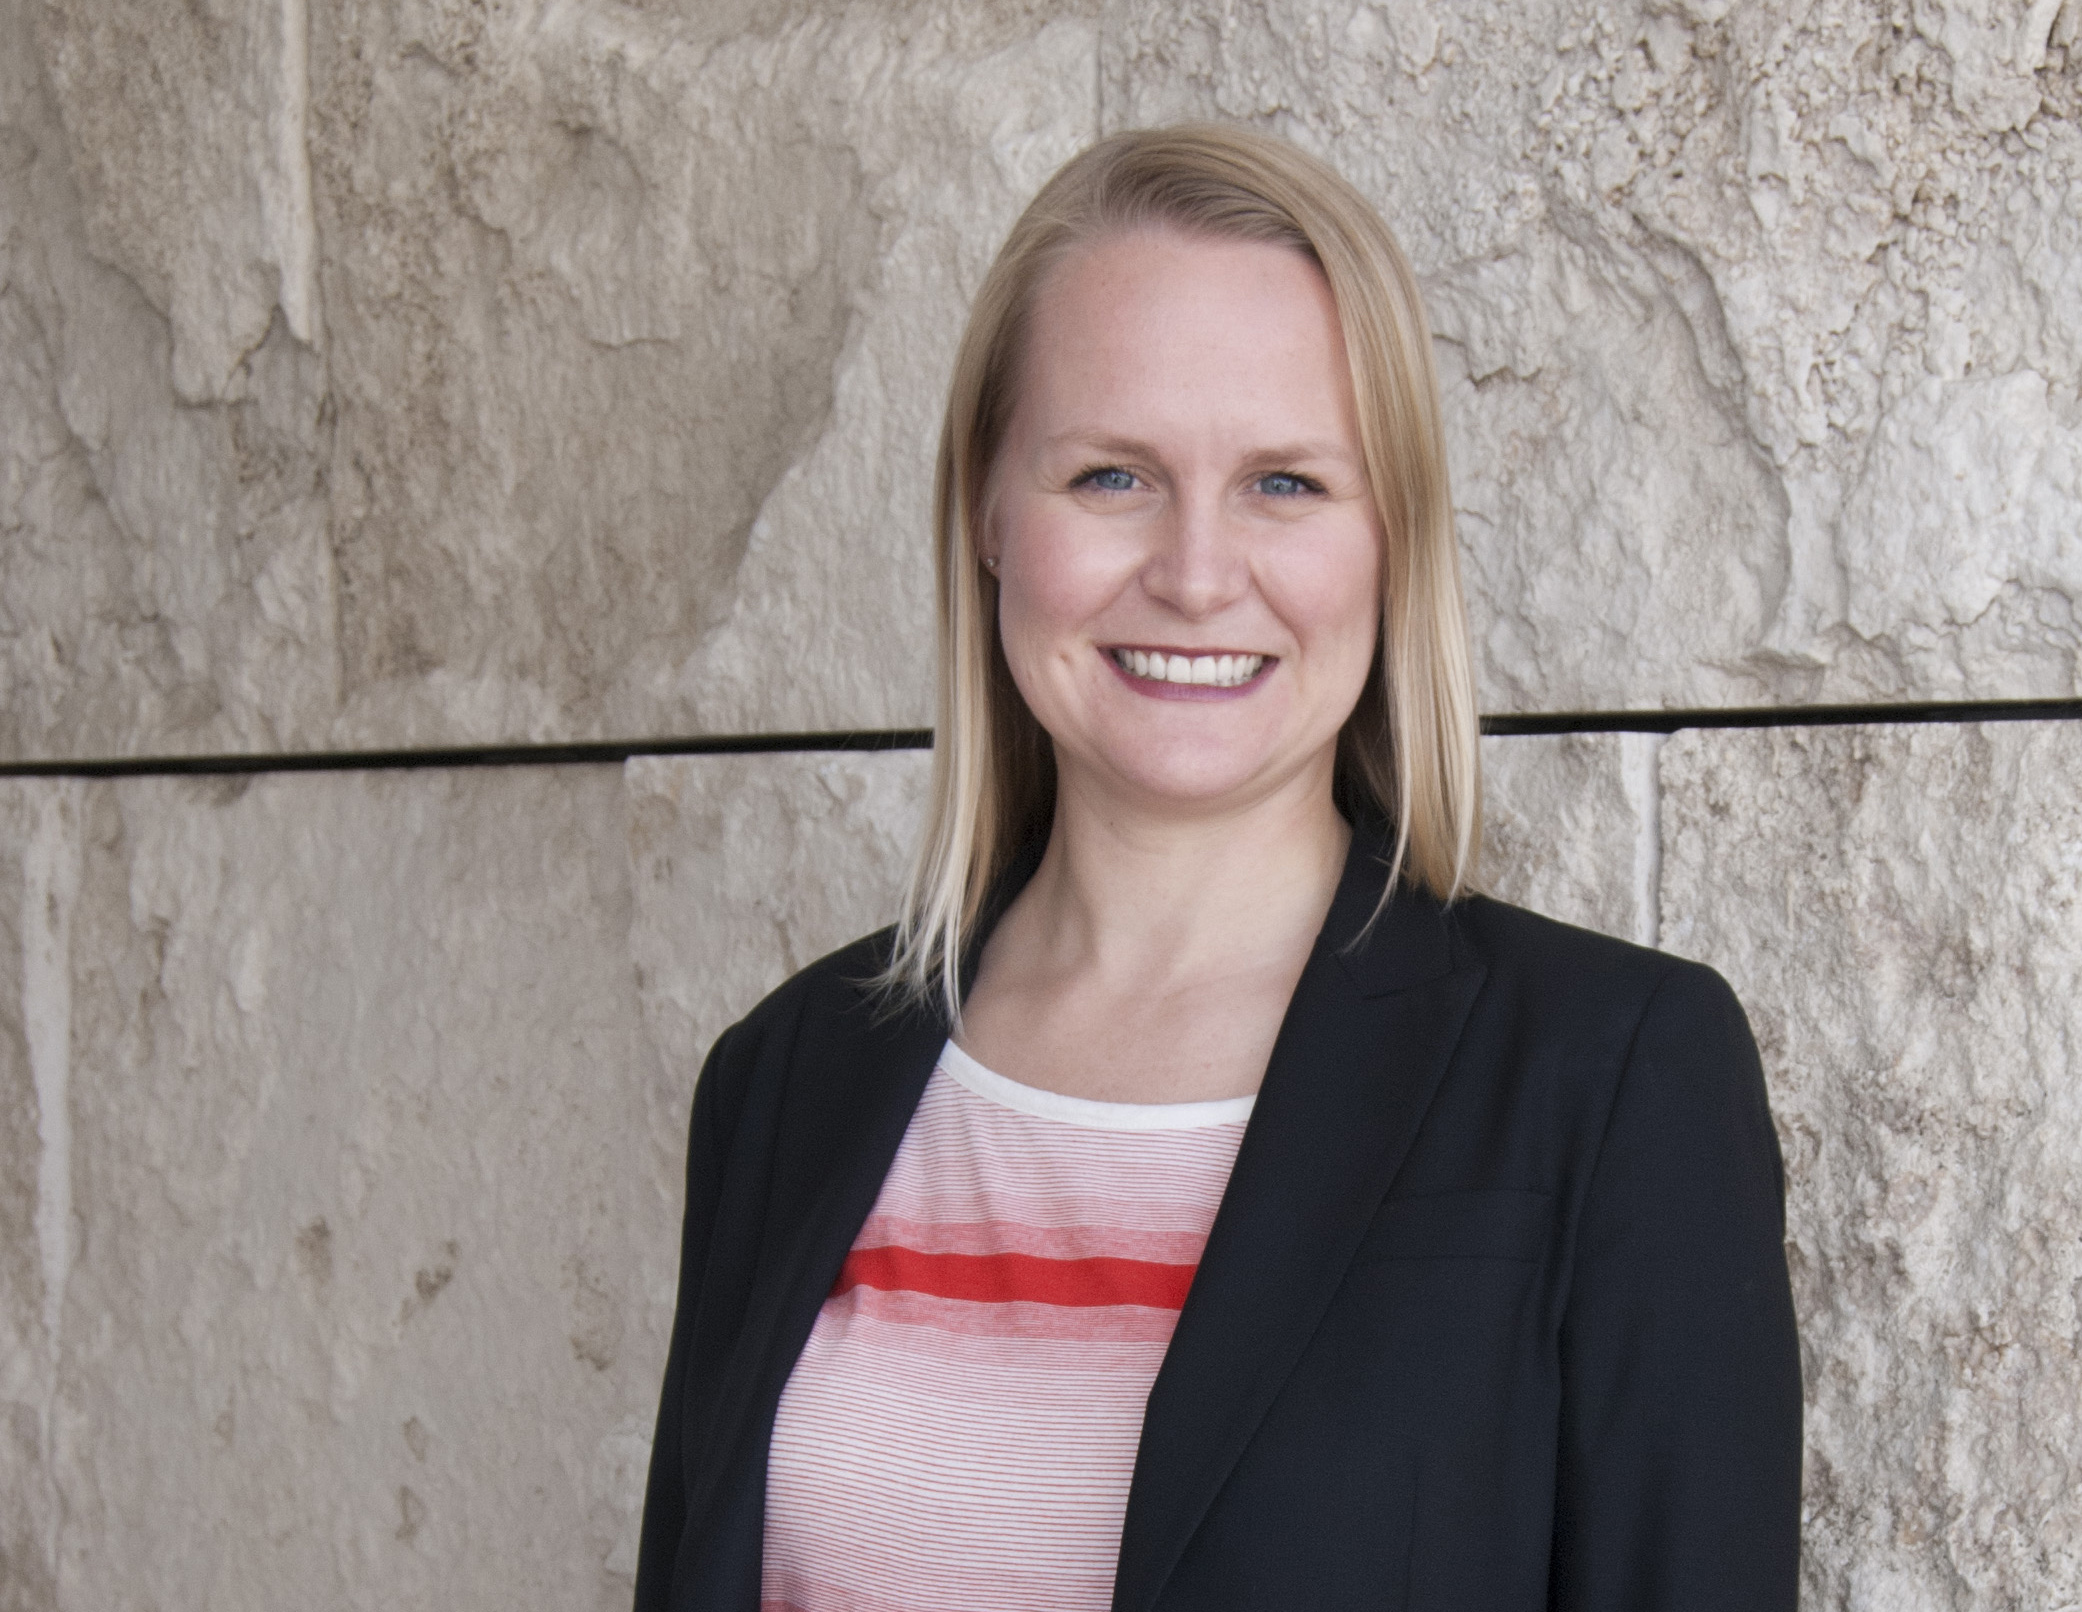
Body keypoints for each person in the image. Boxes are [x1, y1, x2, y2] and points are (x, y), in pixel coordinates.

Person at [633, 124, 1801, 1612]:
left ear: (1393, 542)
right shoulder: (786, 1079)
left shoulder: (1605, 1078)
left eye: (1285, 484)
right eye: (1111, 475)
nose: (1194, 571)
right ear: (990, 517)